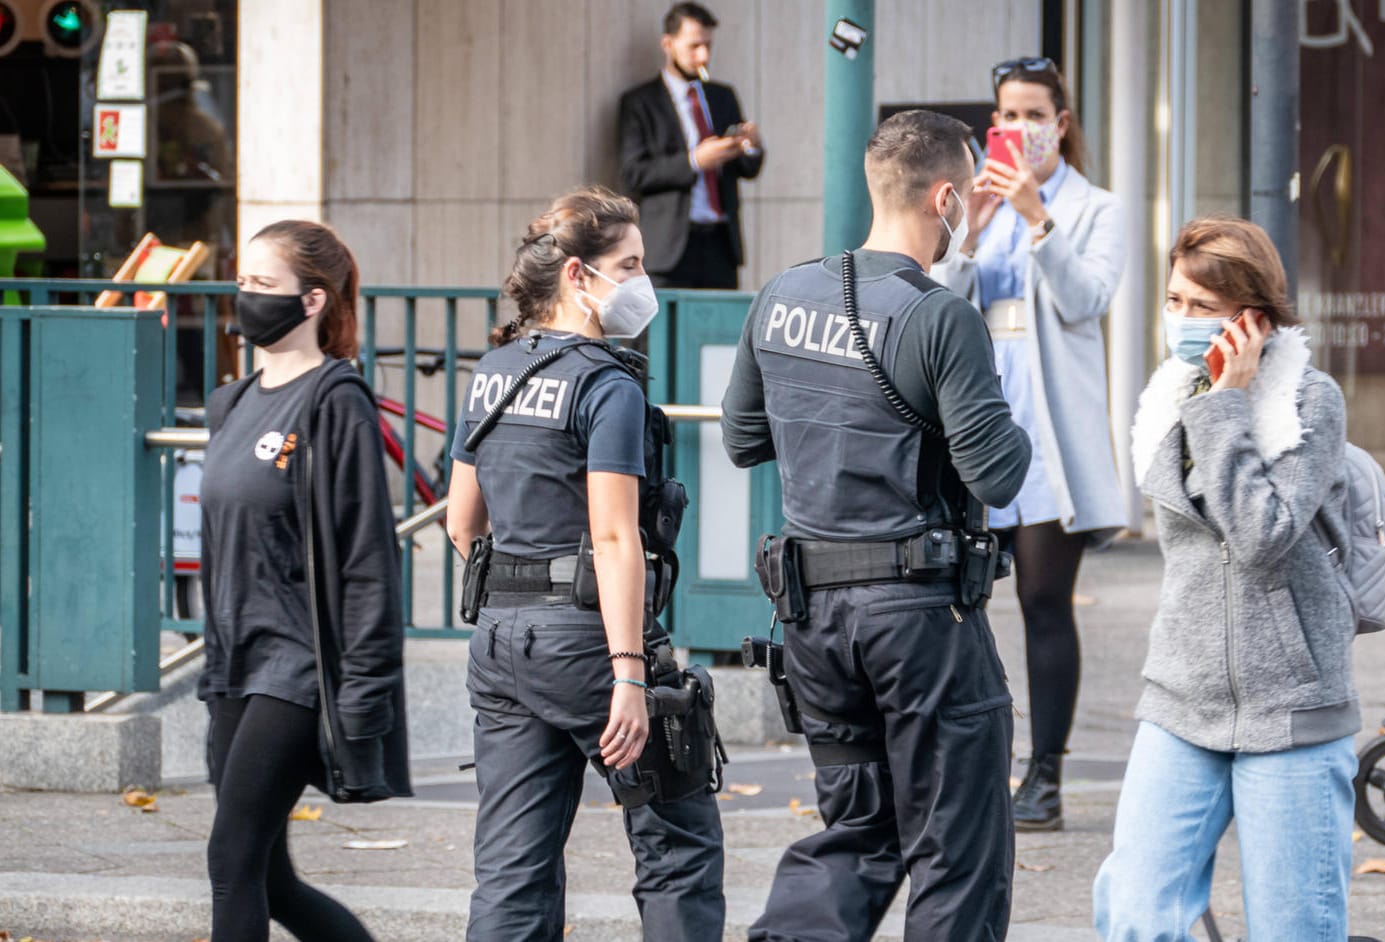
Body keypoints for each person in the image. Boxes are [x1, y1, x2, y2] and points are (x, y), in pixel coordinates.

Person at [722, 110, 1032, 941]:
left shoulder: (783, 293)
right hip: (918, 622)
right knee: (954, 845)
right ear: (943, 197)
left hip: (812, 618)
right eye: (968, 197)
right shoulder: (940, 317)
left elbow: (742, 439)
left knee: (857, 828)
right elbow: (997, 472)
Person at [445, 186, 725, 941]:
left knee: (512, 872)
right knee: (678, 848)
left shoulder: (493, 372)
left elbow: (460, 522)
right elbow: (613, 537)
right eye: (627, 264)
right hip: (590, 644)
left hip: (500, 642)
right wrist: (629, 673)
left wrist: (524, 588)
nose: (641, 282)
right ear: (578, 275)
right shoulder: (607, 383)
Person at [1093, 217, 1359, 940]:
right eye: (1173, 300)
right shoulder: (1166, 398)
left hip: (1291, 705)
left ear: (1252, 318)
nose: (1178, 318)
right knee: (1135, 914)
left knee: (1293, 927)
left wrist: (1225, 408)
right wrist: (1208, 400)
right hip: (1182, 697)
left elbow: (1262, 537)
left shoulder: (1309, 402)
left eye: (1199, 306)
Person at [199, 220, 411, 942]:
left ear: (313, 301)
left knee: (230, 858)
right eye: (242, 283)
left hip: (297, 666)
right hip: (235, 662)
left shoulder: (335, 402)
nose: (245, 299)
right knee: (269, 875)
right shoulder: (231, 404)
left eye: (264, 286)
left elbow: (366, 558)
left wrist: (365, 691)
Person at [930, 55, 1127, 831]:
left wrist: (1038, 217)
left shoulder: (1094, 208)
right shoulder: (978, 202)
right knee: (957, 598)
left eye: (1030, 115)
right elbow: (939, 304)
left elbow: (1086, 300)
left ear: (1061, 124)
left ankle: (1043, 776)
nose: (1015, 130)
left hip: (1048, 422)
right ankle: (972, 760)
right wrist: (969, 235)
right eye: (1004, 115)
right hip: (979, 409)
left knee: (1043, 600)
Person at [619, 2, 764, 289]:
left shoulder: (723, 96)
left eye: (708, 46)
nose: (704, 56)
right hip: (667, 249)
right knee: (663, 332)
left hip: (721, 244)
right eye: (694, 46)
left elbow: (749, 168)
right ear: (668, 44)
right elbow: (633, 172)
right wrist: (695, 161)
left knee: (718, 330)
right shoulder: (640, 101)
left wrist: (750, 147)